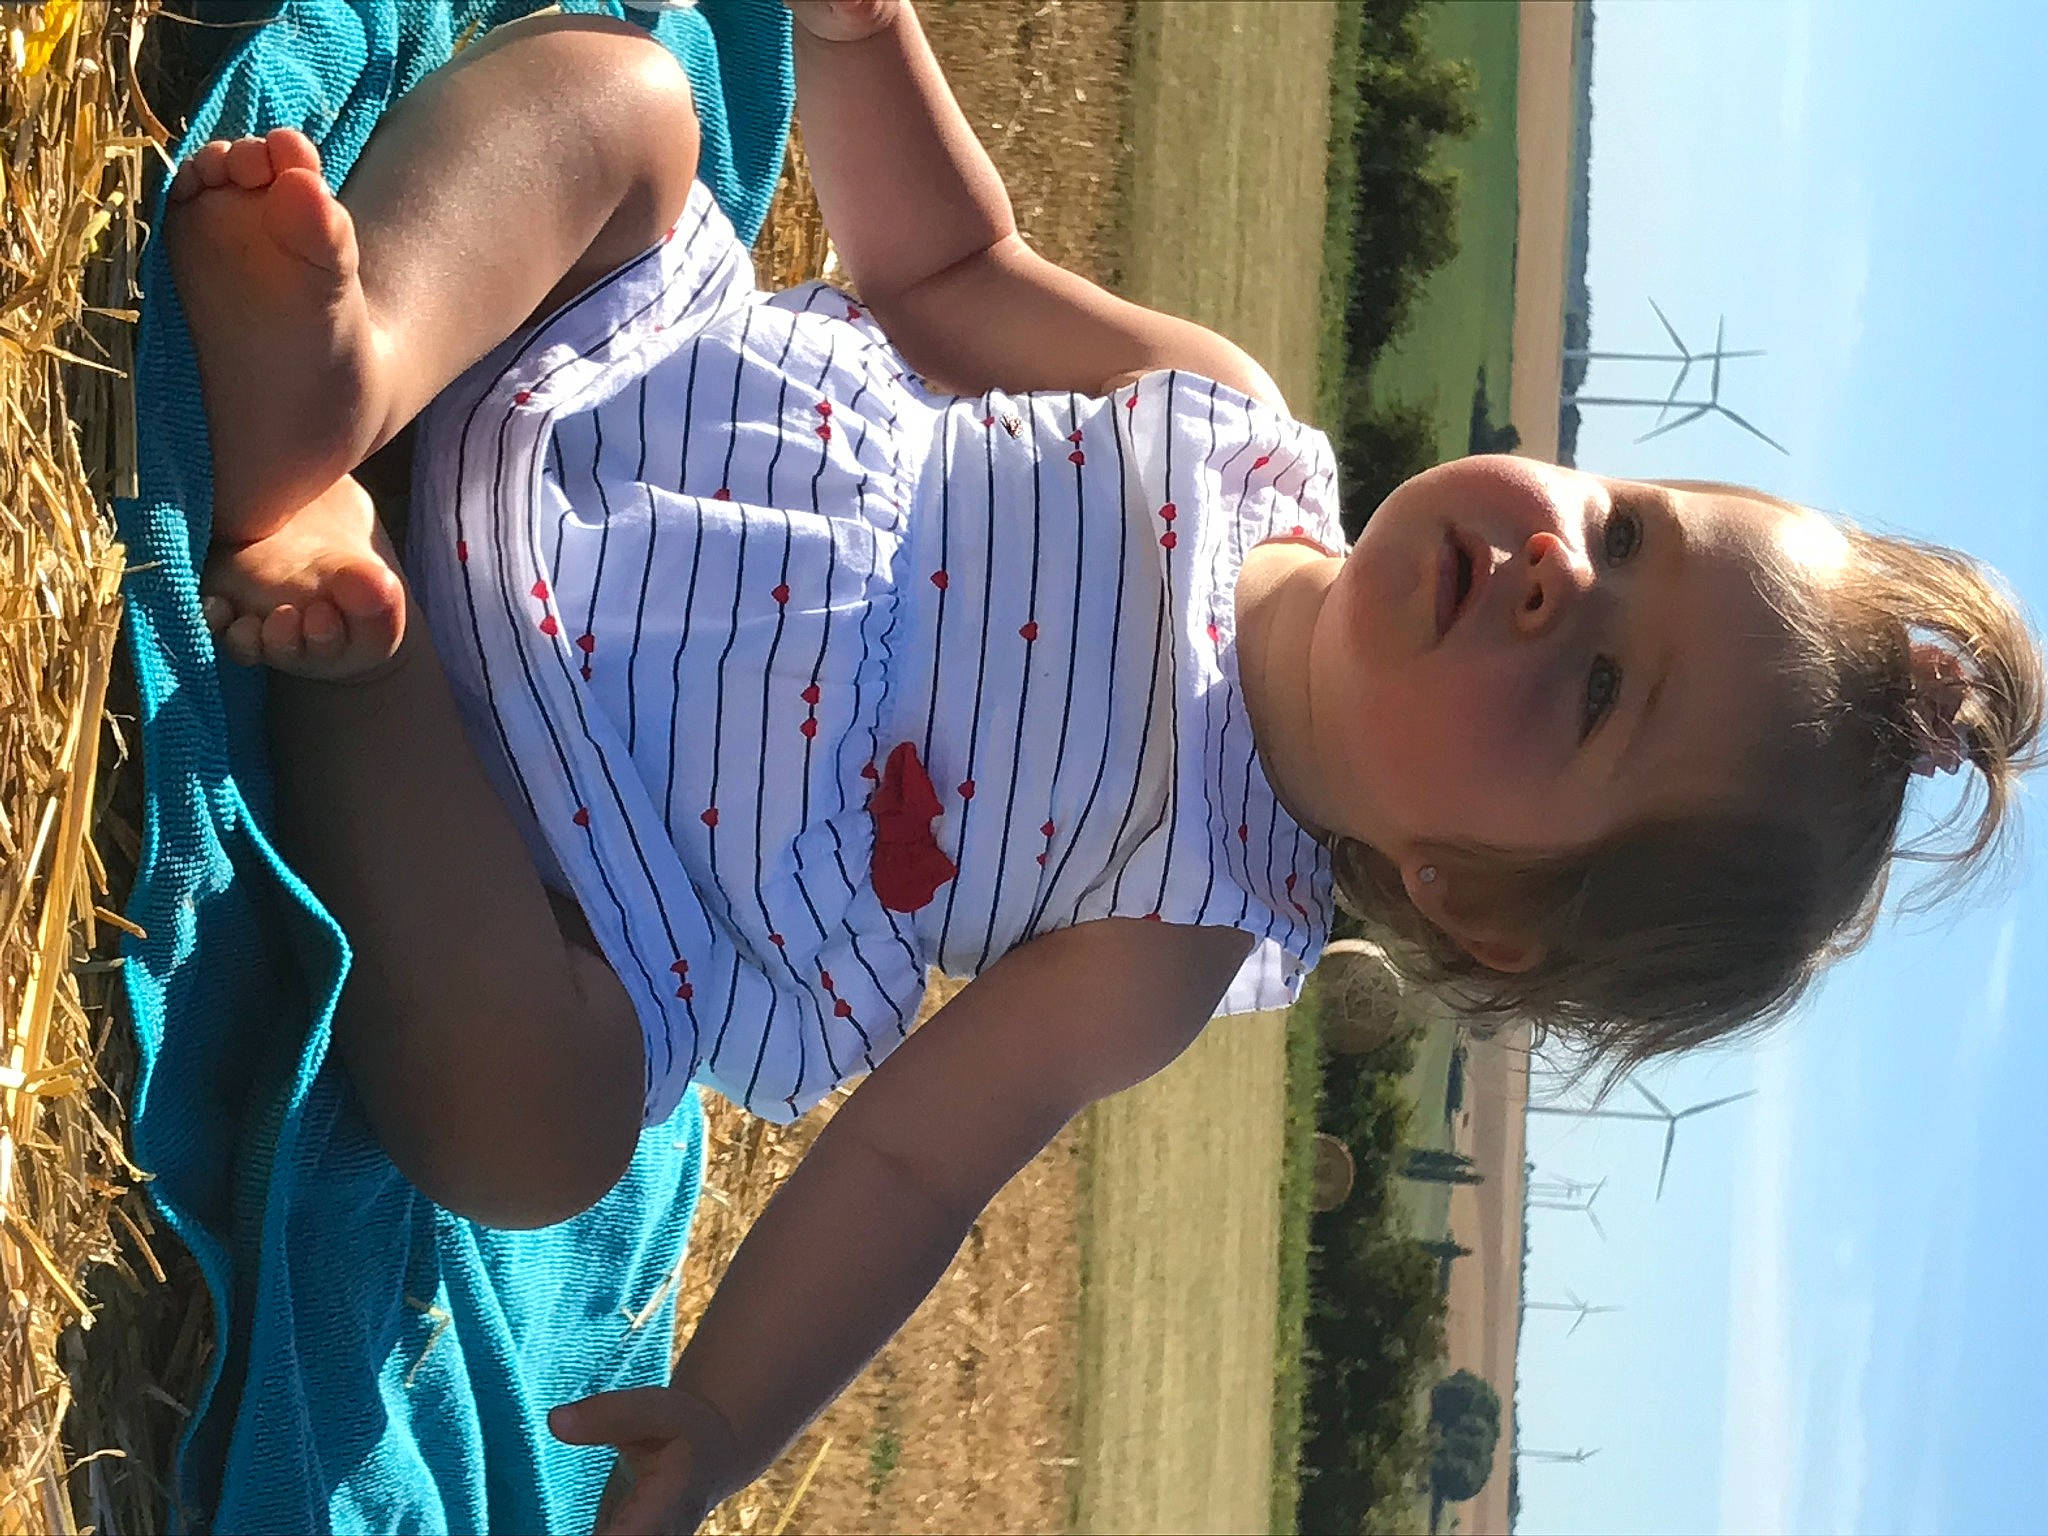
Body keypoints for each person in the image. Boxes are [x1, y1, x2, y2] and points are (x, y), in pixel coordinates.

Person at [165, 0, 2042, 1528]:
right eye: (1625, 524)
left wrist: (732, 1411)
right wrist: (861, 36)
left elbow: (909, 1164)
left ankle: (362, 621)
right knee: (624, 102)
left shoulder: (1183, 920)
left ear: (1465, 887)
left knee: (535, 1138)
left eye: (1603, 694)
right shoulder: (1236, 424)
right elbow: (952, 268)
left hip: (597, 828)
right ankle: (361, 360)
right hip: (638, 407)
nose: (1560, 571)